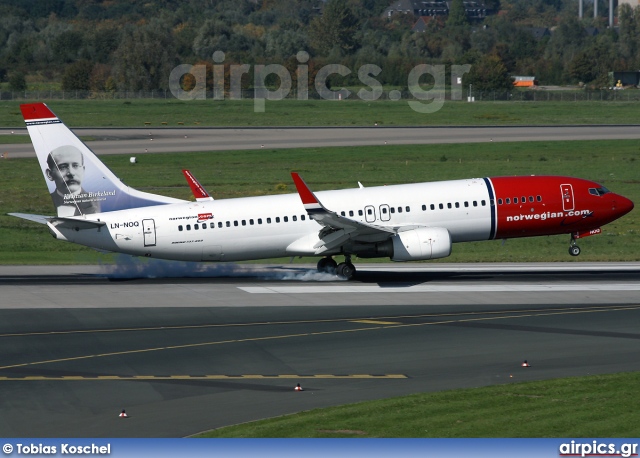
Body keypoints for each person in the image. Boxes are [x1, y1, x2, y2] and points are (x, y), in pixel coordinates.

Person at [45, 145, 101, 216]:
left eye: (75, 166)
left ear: (83, 170)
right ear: (50, 174)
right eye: (63, 167)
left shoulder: (98, 201)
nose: (71, 173)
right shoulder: (47, 203)